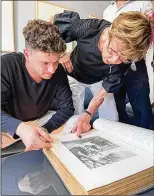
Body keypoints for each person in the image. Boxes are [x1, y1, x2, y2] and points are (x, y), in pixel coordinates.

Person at [53, 10, 153, 137]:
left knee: (112, 117)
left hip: (97, 79)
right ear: (109, 34)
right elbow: (53, 31)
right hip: (74, 73)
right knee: (74, 116)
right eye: (112, 51)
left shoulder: (123, 62)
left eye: (123, 58)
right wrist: (60, 53)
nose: (113, 61)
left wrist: (88, 114)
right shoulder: (88, 28)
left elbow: (102, 94)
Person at [1, 19, 74, 151]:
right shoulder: (6, 64)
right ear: (27, 54)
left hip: (41, 121)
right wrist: (20, 128)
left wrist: (44, 130)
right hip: (10, 123)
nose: (52, 69)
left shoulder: (58, 70)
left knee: (76, 122)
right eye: (45, 63)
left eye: (56, 62)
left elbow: (67, 108)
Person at [103, 0, 154, 129]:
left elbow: (149, 38)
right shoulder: (108, 10)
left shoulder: (143, 4)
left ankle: (147, 139)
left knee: (141, 106)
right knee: (117, 105)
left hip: (134, 65)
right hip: (113, 67)